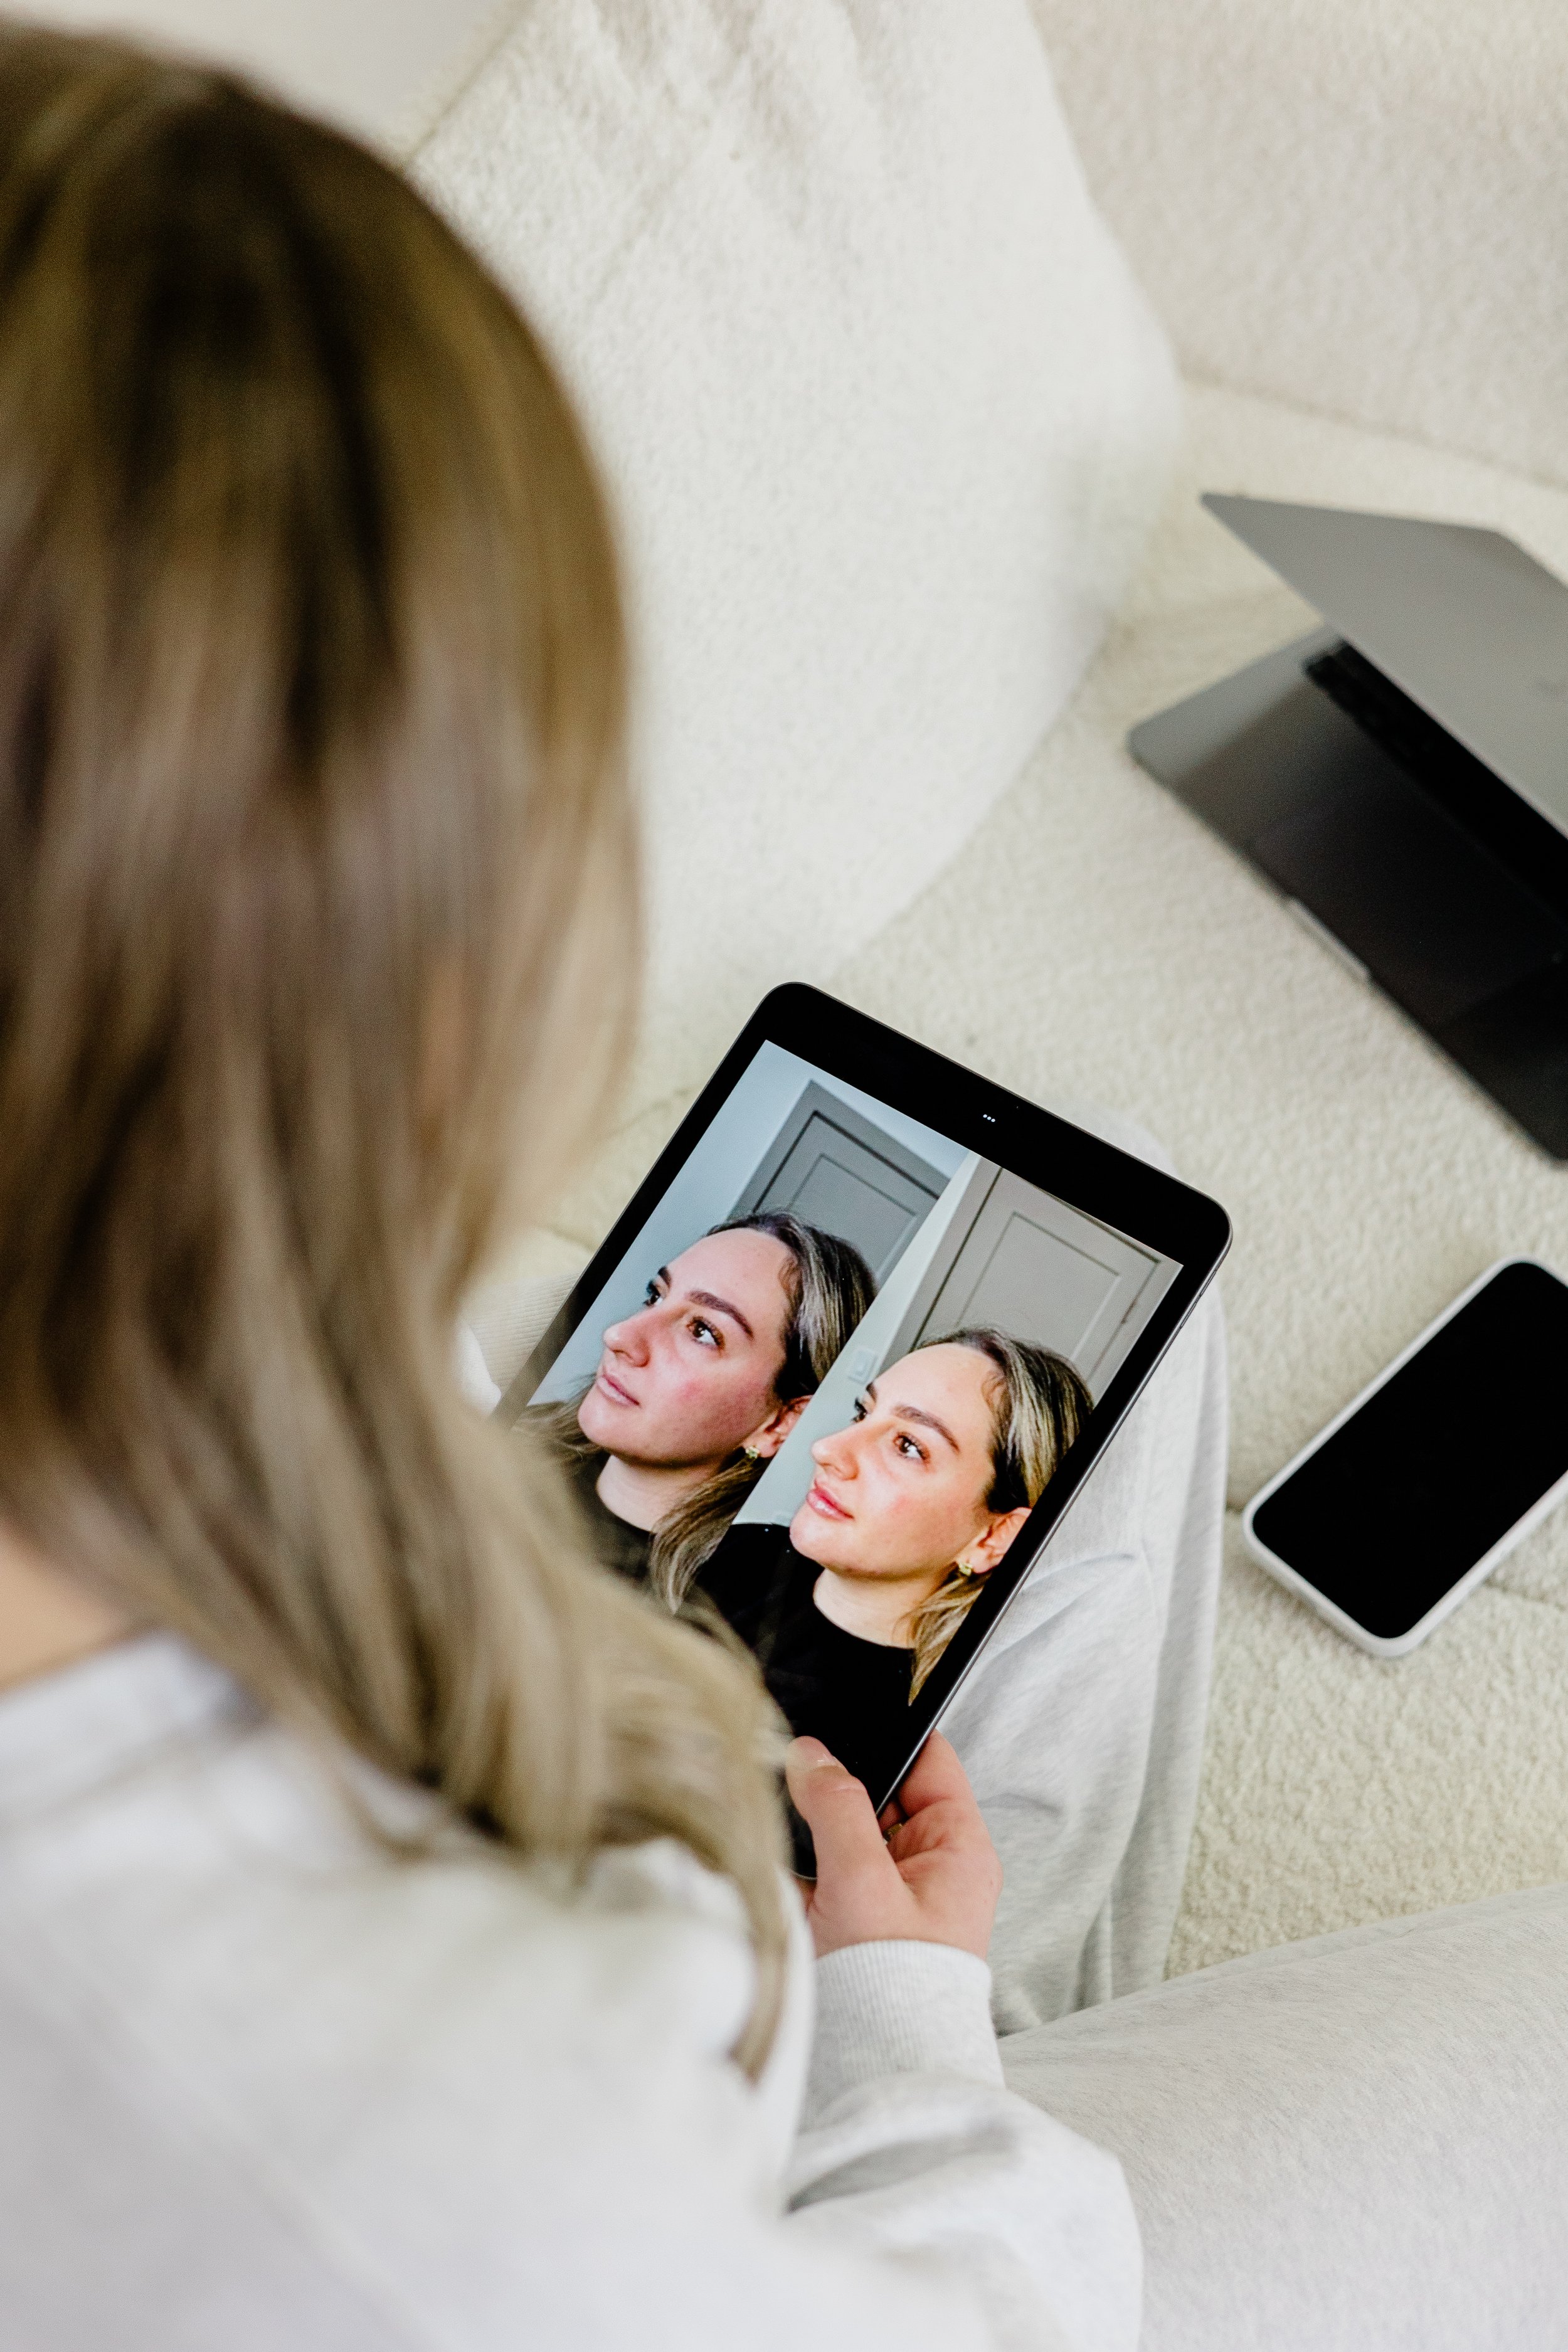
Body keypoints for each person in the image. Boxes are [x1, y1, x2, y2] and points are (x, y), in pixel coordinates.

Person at [3, 29, 1565, 2352]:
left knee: (1156, 1339)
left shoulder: (419, 1515)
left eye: (869, 1417)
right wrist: (913, 2036)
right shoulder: (415, 2153)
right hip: (766, 2194)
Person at [700, 1330, 1088, 1780]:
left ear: (995, 1537)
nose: (826, 1450)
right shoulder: (737, 1547)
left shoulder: (894, 1756)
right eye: (862, 1413)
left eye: (908, 1446)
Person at [534, 1212, 875, 1594]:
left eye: (703, 1332)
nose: (619, 1336)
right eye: (656, 1296)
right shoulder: (508, 1439)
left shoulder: (708, 1622)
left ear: (778, 1424)